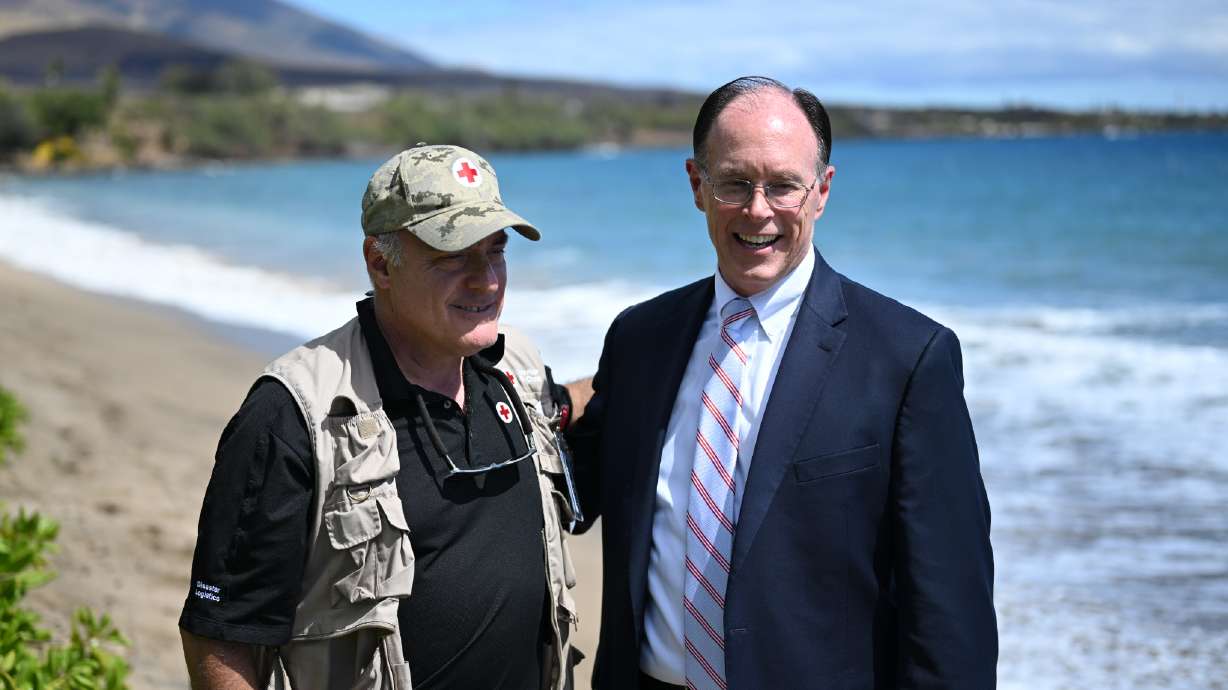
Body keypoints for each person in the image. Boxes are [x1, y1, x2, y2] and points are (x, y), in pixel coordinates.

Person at [566, 76, 997, 689]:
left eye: (784, 185)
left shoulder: (906, 359)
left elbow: (951, 612)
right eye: (735, 183)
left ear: (821, 191)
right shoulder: (640, 339)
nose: (758, 209)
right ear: (697, 185)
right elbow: (569, 481)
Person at [179, 144, 583, 689]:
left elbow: (569, 404)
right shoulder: (296, 413)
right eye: (453, 256)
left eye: (495, 251)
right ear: (379, 263)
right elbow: (221, 633)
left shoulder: (514, 370)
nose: (486, 280)